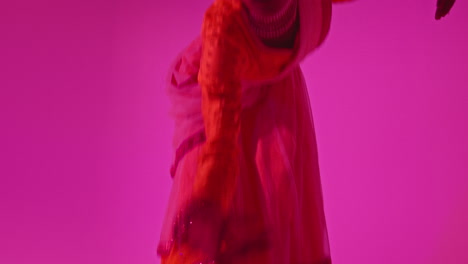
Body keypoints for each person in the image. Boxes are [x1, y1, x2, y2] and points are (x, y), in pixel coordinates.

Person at [157, 0, 456, 263]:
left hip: (275, 91)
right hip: (219, 103)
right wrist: (209, 203)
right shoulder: (223, 32)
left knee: (278, 223)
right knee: (234, 232)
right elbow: (221, 142)